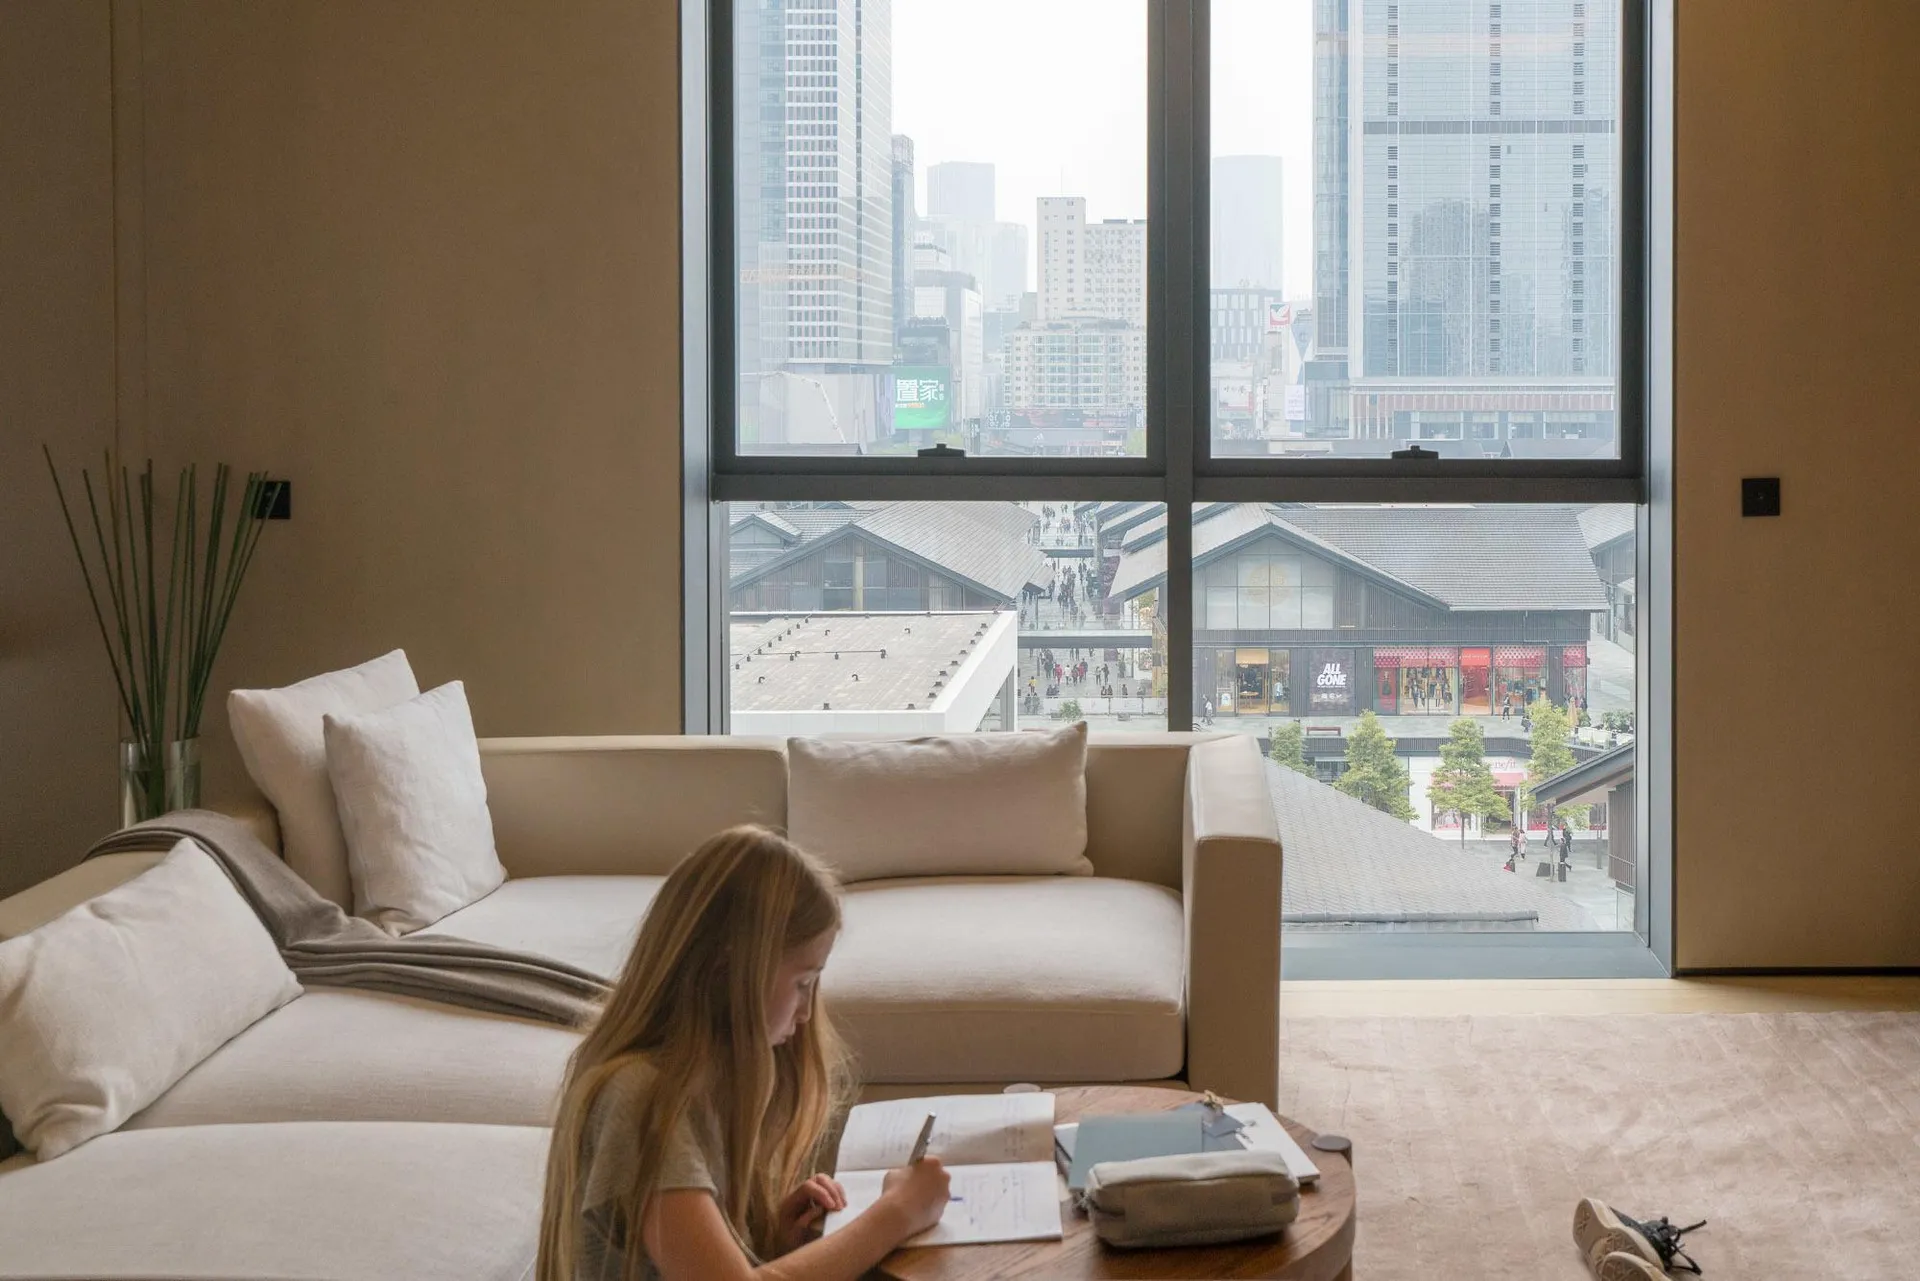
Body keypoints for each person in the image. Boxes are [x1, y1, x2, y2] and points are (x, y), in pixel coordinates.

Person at [536, 827, 951, 1281]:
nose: (808, 1013)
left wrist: (770, 1243)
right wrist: (897, 1213)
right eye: (802, 983)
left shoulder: (705, 1084)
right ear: (731, 968)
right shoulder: (638, 1100)